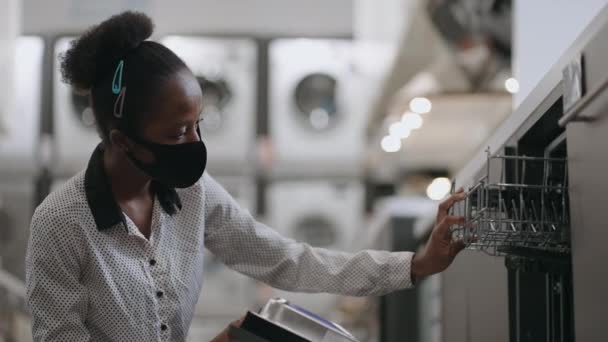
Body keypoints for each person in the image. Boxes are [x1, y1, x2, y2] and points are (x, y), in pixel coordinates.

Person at [25, 11, 467, 342]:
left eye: (197, 124)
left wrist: (417, 264)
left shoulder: (192, 194)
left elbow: (287, 261)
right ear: (122, 141)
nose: (195, 141)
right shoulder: (60, 223)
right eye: (178, 132)